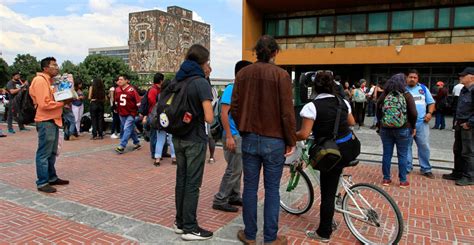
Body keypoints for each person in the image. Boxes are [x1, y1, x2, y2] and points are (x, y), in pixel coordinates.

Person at [231, 35, 296, 245]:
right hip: (274, 139)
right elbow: (287, 112)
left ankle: (250, 235)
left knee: (250, 187)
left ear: (256, 52)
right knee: (272, 189)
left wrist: (243, 129)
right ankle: (270, 238)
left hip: (250, 137)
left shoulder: (243, 74)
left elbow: (235, 106)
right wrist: (290, 139)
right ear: (275, 52)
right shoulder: (281, 75)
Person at [296, 71, 360, 243]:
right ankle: (338, 195)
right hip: (351, 148)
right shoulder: (343, 102)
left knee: (327, 195)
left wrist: (289, 136)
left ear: (314, 87)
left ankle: (324, 232)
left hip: (332, 154)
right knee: (334, 179)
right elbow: (352, 122)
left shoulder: (311, 107)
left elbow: (303, 134)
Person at [171, 44, 214, 241]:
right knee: (192, 184)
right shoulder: (200, 82)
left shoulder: (178, 79)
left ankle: (179, 223)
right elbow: (209, 117)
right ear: (203, 62)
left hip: (177, 137)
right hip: (194, 139)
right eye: (208, 62)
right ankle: (190, 227)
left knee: (181, 180)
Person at [212, 60, 252, 213]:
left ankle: (234, 195)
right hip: (233, 135)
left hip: (238, 134)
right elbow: (224, 114)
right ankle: (220, 199)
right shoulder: (232, 88)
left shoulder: (241, 89)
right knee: (233, 169)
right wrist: (229, 135)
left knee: (237, 168)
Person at [29, 57, 69, 193]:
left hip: (53, 120)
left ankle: (51, 177)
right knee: (44, 153)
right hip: (46, 121)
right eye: (54, 65)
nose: (57, 67)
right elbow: (44, 104)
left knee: (52, 153)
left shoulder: (50, 81)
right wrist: (62, 103)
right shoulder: (40, 81)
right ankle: (42, 182)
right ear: (45, 68)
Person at [377, 74, 417, 188]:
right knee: (403, 155)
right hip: (403, 128)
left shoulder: (385, 94)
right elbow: (414, 113)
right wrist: (413, 126)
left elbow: (378, 107)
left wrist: (380, 124)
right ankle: (403, 180)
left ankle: (386, 178)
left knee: (387, 154)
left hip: (386, 128)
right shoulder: (407, 95)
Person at [443, 67, 474, 186]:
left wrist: (469, 123)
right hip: (460, 123)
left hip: (468, 125)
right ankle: (458, 172)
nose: (460, 77)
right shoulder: (463, 90)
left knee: (468, 151)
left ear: (471, 77)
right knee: (458, 149)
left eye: (463, 75)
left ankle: (470, 176)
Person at [406, 69, 435, 178]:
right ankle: (407, 167)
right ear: (407, 78)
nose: (412, 79)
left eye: (415, 77)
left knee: (424, 146)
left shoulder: (423, 89)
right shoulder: (402, 89)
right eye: (410, 77)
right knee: (406, 146)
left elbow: (431, 102)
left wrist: (430, 113)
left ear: (417, 79)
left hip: (422, 123)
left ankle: (426, 168)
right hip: (407, 124)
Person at [114, 75, 141, 153]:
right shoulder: (117, 89)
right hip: (121, 113)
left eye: (121, 79)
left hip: (131, 113)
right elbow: (116, 101)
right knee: (131, 128)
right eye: (119, 79)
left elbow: (138, 102)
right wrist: (116, 108)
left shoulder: (132, 90)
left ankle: (122, 146)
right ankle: (137, 143)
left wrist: (140, 112)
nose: (119, 81)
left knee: (127, 128)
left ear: (126, 81)